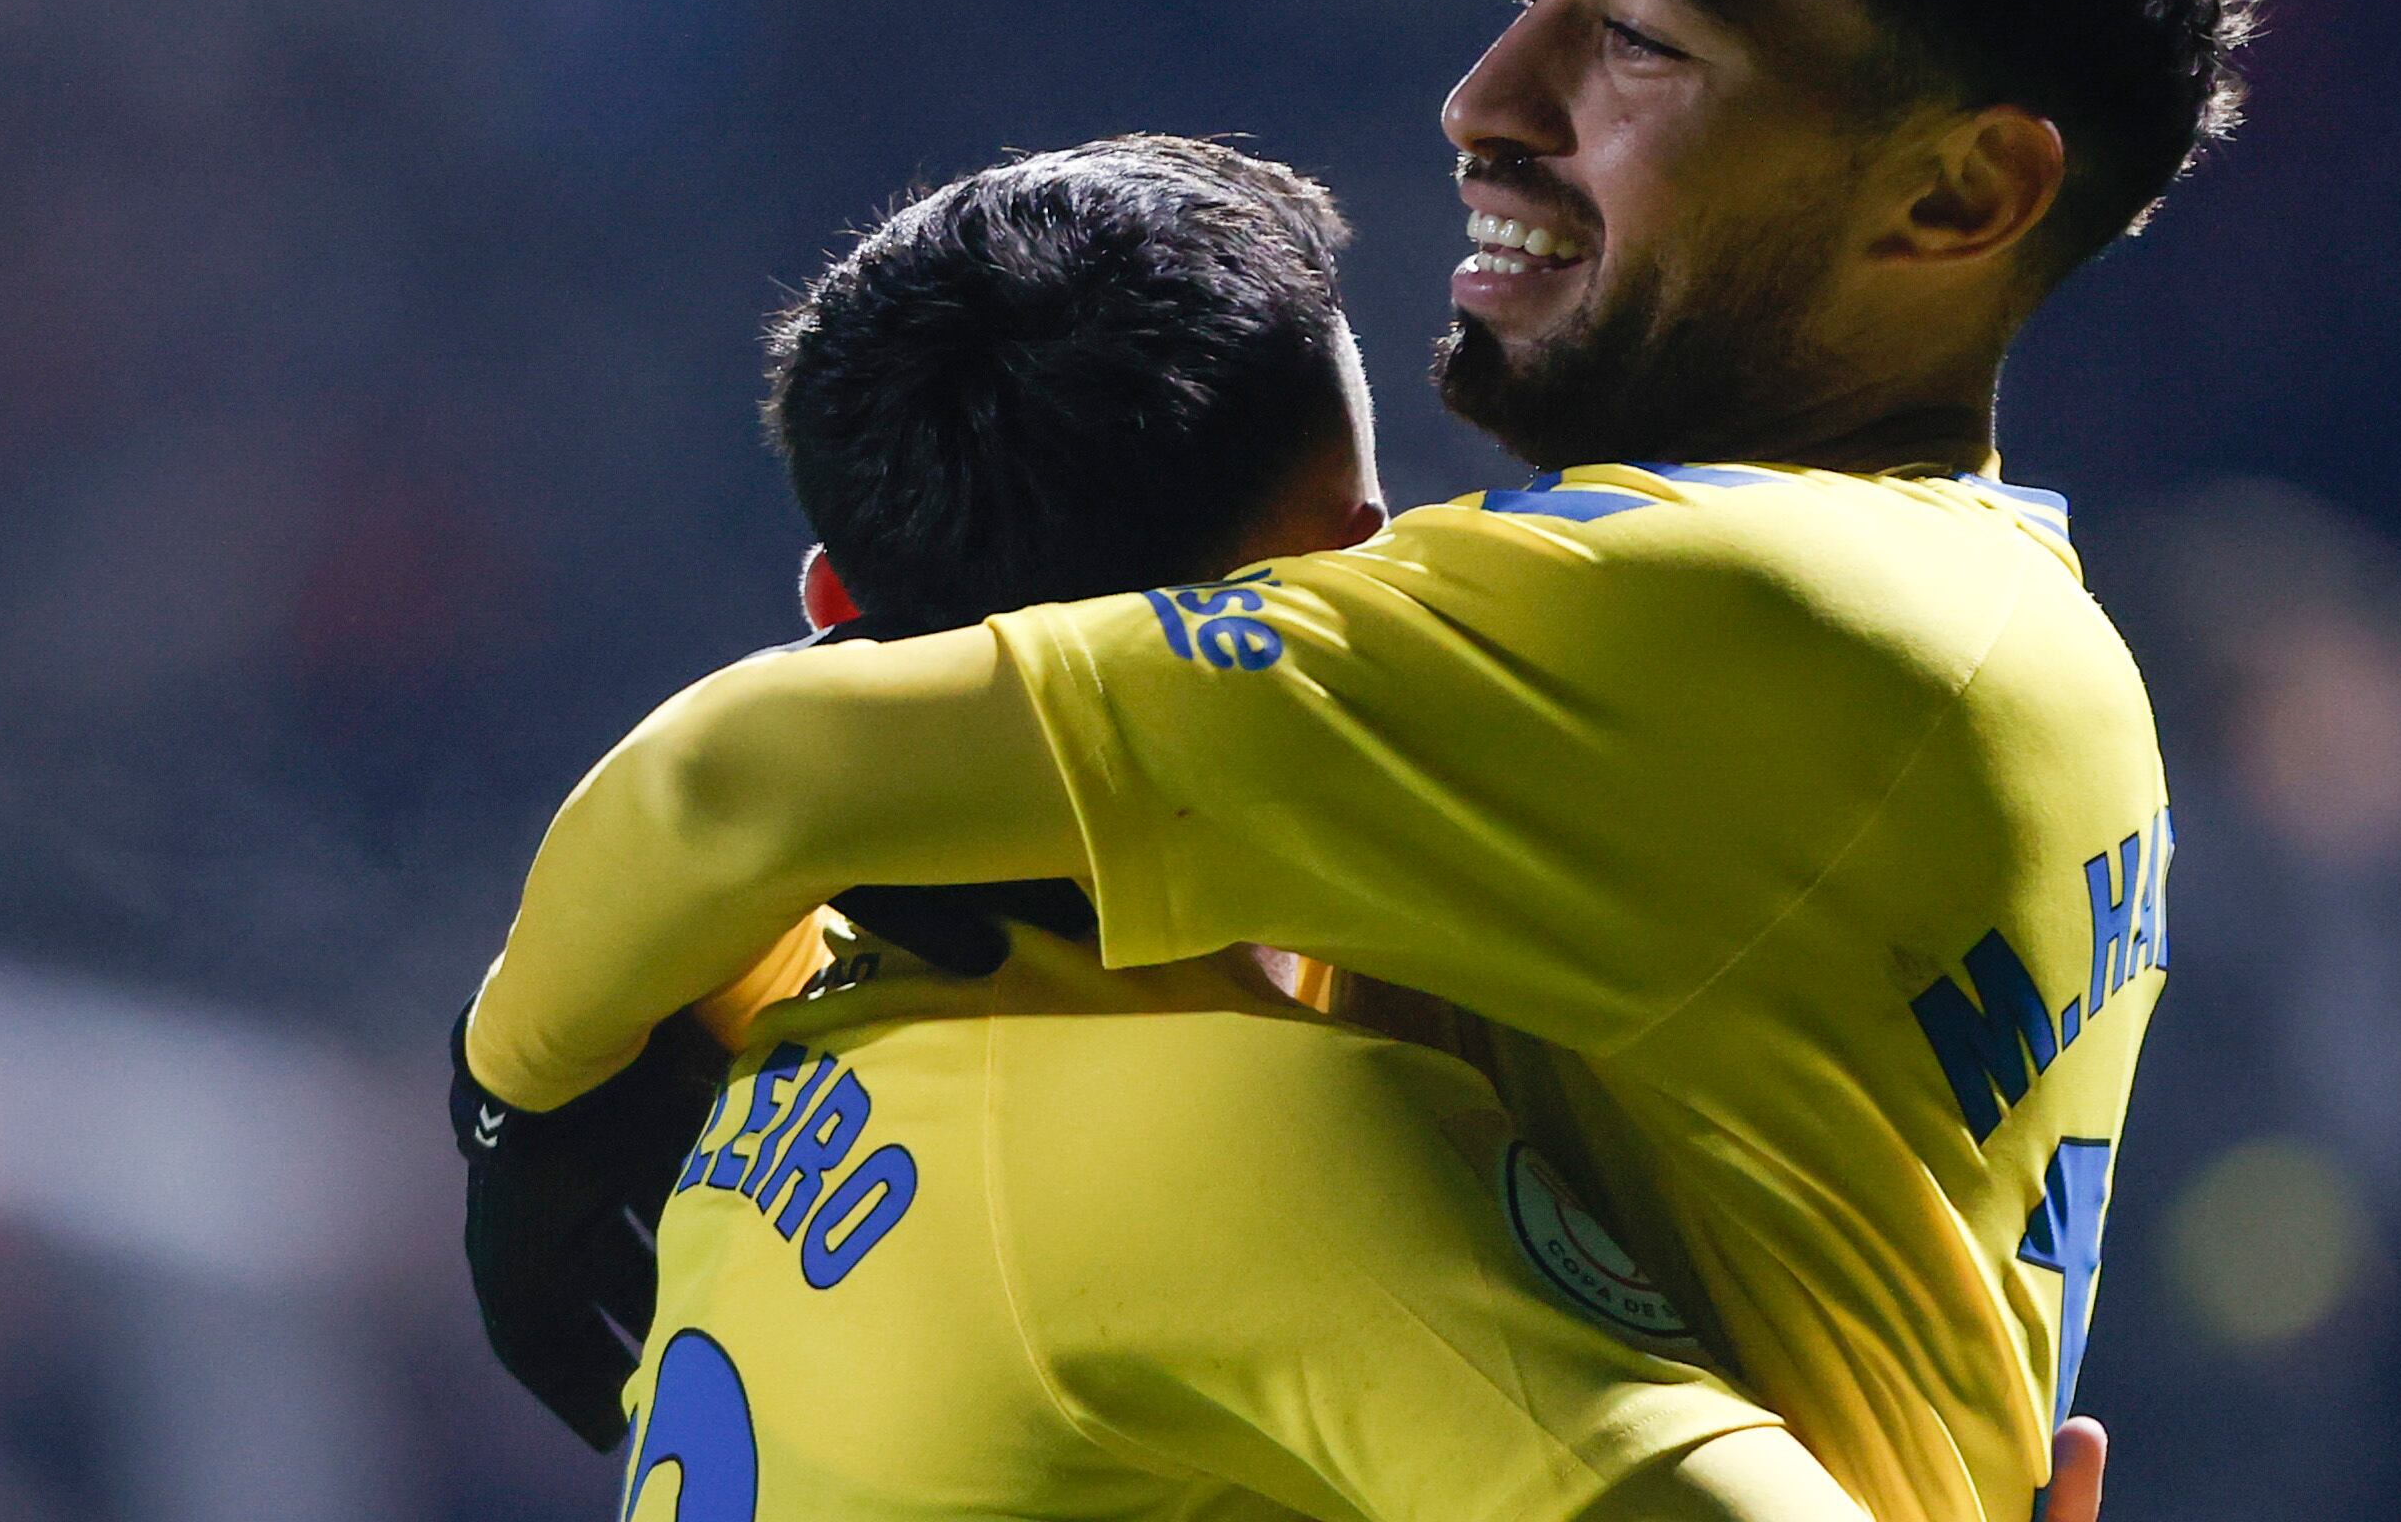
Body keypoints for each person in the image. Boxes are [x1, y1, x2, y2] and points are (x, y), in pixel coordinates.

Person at [465, 0, 2245, 1522]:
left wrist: (527, 1122)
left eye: (1635, 35)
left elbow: (746, 780)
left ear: (1959, 193)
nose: (1487, 95)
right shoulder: (1996, 635)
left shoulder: (1730, 613)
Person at [486, 136, 1906, 1522]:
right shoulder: (1255, 1152)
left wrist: (500, 1096)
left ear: (834, 617)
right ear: (1340, 586)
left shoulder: (725, 989)